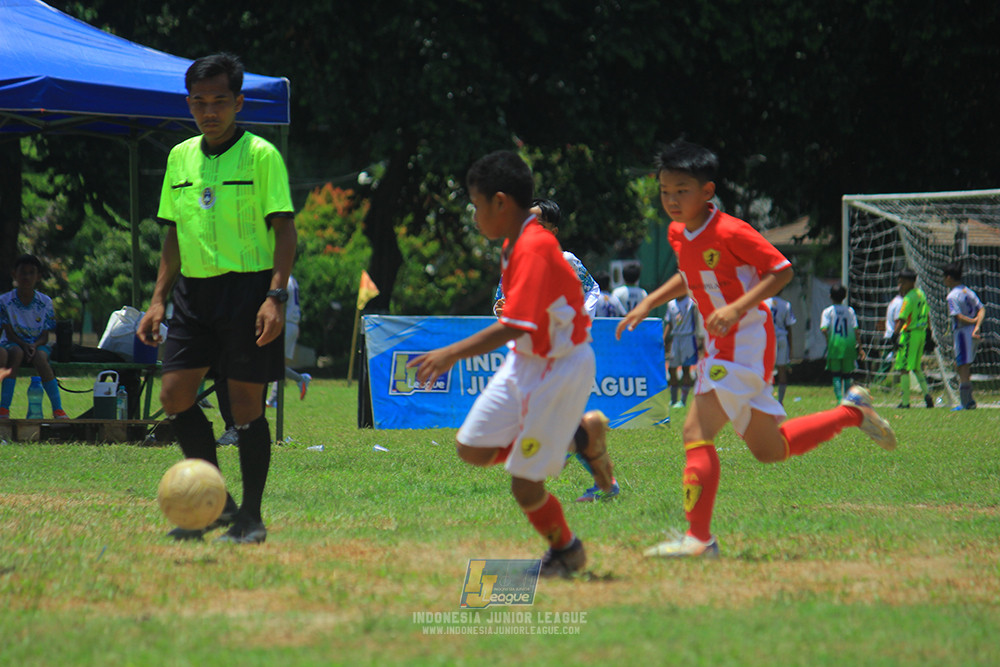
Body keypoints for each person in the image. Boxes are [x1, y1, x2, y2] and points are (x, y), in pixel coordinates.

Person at [616, 139, 896, 558]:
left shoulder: (730, 230)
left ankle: (698, 541)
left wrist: (735, 308)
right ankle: (852, 411)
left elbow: (780, 270)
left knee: (695, 432)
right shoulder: (679, 233)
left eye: (682, 190)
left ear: (707, 191)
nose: (671, 200)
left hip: (745, 342)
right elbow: (689, 274)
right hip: (724, 345)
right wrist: (647, 303)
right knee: (770, 449)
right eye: (665, 191)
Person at [409, 151, 613, 577]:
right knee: (471, 448)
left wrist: (449, 353)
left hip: (560, 366)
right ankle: (579, 437)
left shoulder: (537, 247)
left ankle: (566, 551)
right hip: (527, 362)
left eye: (476, 203)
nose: (474, 213)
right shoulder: (513, 246)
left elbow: (512, 327)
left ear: (500, 202)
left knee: (524, 484)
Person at [136, 53, 296, 544]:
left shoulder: (262, 155)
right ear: (189, 104)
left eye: (220, 101)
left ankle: (251, 515)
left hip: (249, 292)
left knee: (245, 406)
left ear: (239, 103)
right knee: (174, 394)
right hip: (193, 295)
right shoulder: (179, 157)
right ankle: (217, 503)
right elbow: (173, 237)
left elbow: (285, 233)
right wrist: (158, 298)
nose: (210, 111)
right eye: (200, 102)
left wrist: (275, 296)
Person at [493, 199, 619, 503]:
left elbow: (592, 291)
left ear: (553, 230)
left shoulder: (566, 260)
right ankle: (589, 464)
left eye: (539, 225)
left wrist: (581, 319)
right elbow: (502, 301)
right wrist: (500, 310)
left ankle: (591, 471)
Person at [0, 254, 68, 419]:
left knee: (40, 358)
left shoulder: (45, 302)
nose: (27, 277)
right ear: (14, 274)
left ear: (38, 276)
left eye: (32, 273)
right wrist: (24, 345)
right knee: (16, 354)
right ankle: (4, 409)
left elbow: (45, 336)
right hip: (13, 344)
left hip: (37, 345)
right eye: (23, 272)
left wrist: (34, 345)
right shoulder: (4, 301)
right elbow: (8, 333)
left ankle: (57, 409)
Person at [265, 273, 312, 408]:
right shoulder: (292, 280)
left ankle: (300, 379)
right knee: (275, 363)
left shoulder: (282, 280)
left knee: (274, 363)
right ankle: (274, 398)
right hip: (291, 323)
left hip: (285, 323)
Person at [943, 262, 985, 410]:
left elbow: (958, 316)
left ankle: (966, 402)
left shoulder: (952, 296)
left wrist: (973, 322)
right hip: (972, 333)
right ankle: (968, 400)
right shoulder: (968, 291)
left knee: (963, 367)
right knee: (961, 366)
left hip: (962, 334)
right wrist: (977, 326)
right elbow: (981, 309)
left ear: (949, 277)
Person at [890, 268, 933, 409]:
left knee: (903, 367)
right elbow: (927, 315)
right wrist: (929, 334)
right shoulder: (921, 294)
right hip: (921, 333)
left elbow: (901, 319)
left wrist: (894, 335)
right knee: (915, 367)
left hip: (910, 333)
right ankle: (927, 394)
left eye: (902, 283)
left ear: (910, 282)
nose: (900, 286)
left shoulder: (908, 298)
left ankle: (906, 401)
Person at [820, 283, 859, 403]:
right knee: (847, 374)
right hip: (849, 346)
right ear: (844, 296)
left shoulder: (828, 311)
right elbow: (855, 329)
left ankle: (839, 399)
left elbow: (824, 328)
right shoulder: (850, 311)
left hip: (835, 345)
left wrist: (828, 339)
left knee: (836, 374)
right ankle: (847, 399)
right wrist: (860, 346)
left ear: (830, 296)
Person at [663, 294, 701, 408]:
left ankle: (683, 401)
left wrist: (699, 339)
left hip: (688, 337)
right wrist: (664, 339)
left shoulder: (691, 303)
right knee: (672, 369)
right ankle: (673, 399)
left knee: (686, 369)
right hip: (676, 338)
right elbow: (669, 323)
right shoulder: (671, 304)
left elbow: (697, 321)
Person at [764, 292, 795, 405]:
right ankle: (780, 401)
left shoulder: (763, 302)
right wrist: (791, 347)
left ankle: (767, 399)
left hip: (768, 338)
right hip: (782, 337)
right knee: (782, 369)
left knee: (767, 369)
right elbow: (789, 326)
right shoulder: (786, 304)